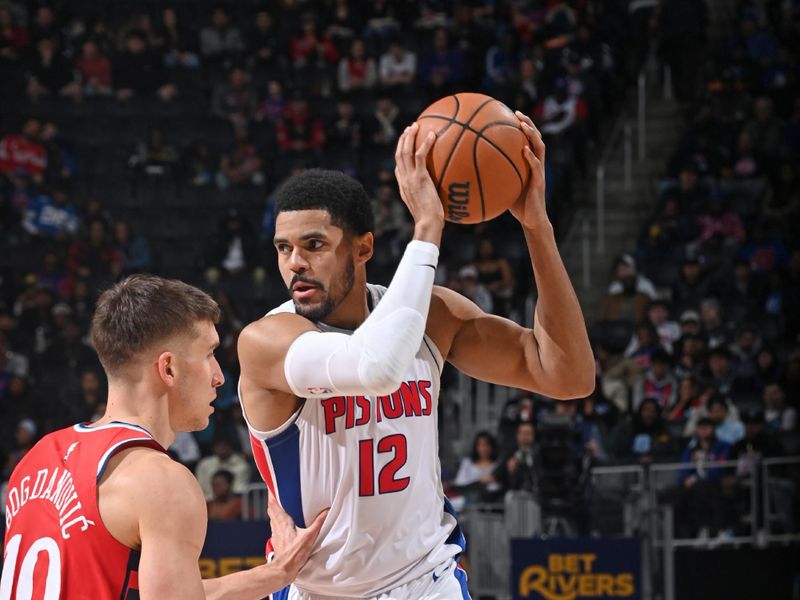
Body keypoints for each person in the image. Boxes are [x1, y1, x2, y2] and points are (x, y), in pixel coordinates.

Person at [237, 115, 594, 598]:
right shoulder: (268, 340)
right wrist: (427, 225)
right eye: (283, 248)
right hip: (320, 589)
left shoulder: (431, 315)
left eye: (314, 245)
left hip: (426, 582)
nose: (294, 263)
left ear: (363, 249)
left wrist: (537, 228)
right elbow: (376, 366)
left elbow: (568, 375)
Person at [1, 275, 326, 598]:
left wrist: (276, 573)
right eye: (209, 354)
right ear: (168, 368)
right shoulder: (162, 483)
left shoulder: (37, 458)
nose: (218, 377)